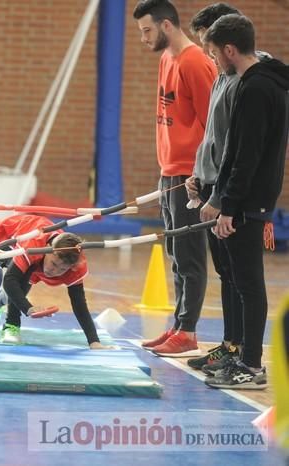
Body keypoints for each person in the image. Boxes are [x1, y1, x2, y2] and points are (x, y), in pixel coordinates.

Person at [201, 14, 289, 390]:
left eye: (214, 53)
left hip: (248, 204)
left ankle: (251, 366)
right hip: (245, 200)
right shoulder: (257, 82)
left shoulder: (255, 89)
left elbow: (246, 156)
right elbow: (235, 151)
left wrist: (228, 207)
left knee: (249, 284)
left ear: (229, 49)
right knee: (240, 281)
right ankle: (242, 357)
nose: (215, 62)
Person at [133, 0, 216, 357]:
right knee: (176, 254)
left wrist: (199, 173)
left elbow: (214, 122)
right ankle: (179, 325)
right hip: (170, 172)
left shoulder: (195, 61)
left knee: (190, 254)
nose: (143, 38)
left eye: (147, 30)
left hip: (190, 175)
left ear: (167, 25)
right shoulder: (167, 59)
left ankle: (189, 331)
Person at [0, 214, 110, 349]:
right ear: (48, 248)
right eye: (54, 264)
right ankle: (10, 325)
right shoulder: (34, 245)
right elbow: (10, 280)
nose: (54, 271)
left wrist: (94, 341)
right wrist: (28, 308)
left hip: (37, 260)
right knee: (19, 285)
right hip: (7, 237)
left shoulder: (75, 267)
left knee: (16, 293)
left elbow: (79, 304)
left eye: (62, 269)